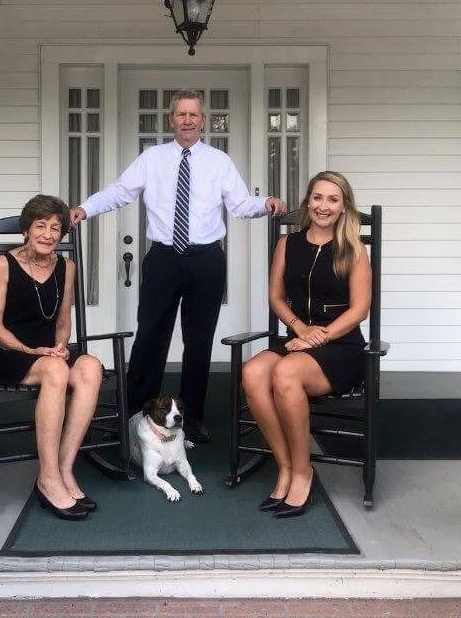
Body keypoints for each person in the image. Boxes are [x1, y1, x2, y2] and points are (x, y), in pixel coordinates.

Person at [70, 89, 286, 444]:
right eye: (181, 114)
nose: (187, 120)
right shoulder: (152, 158)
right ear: (171, 120)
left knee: (199, 342)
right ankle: (137, 412)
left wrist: (266, 203)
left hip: (207, 260)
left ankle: (193, 417)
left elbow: (240, 204)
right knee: (150, 337)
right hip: (164, 258)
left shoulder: (219, 161)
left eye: (193, 115)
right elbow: (120, 191)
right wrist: (85, 208)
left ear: (203, 121)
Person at [241, 171, 372, 518]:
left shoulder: (353, 250)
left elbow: (360, 309)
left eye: (332, 199)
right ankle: (286, 467)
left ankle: (303, 473)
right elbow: (275, 296)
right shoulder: (288, 244)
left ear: (344, 207)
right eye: (317, 198)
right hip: (299, 338)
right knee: (253, 373)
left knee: (284, 374)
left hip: (341, 347)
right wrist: (300, 328)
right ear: (307, 202)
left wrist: (322, 335)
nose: (323, 206)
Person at [0, 194, 103, 521]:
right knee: (54, 370)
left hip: (50, 352)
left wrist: (62, 344)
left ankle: (64, 470)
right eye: (41, 226)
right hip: (12, 352)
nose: (48, 234)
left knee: (91, 366)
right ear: (26, 229)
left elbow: (63, 321)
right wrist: (30, 350)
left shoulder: (67, 267)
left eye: (55, 228)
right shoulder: (2, 264)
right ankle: (47, 478)